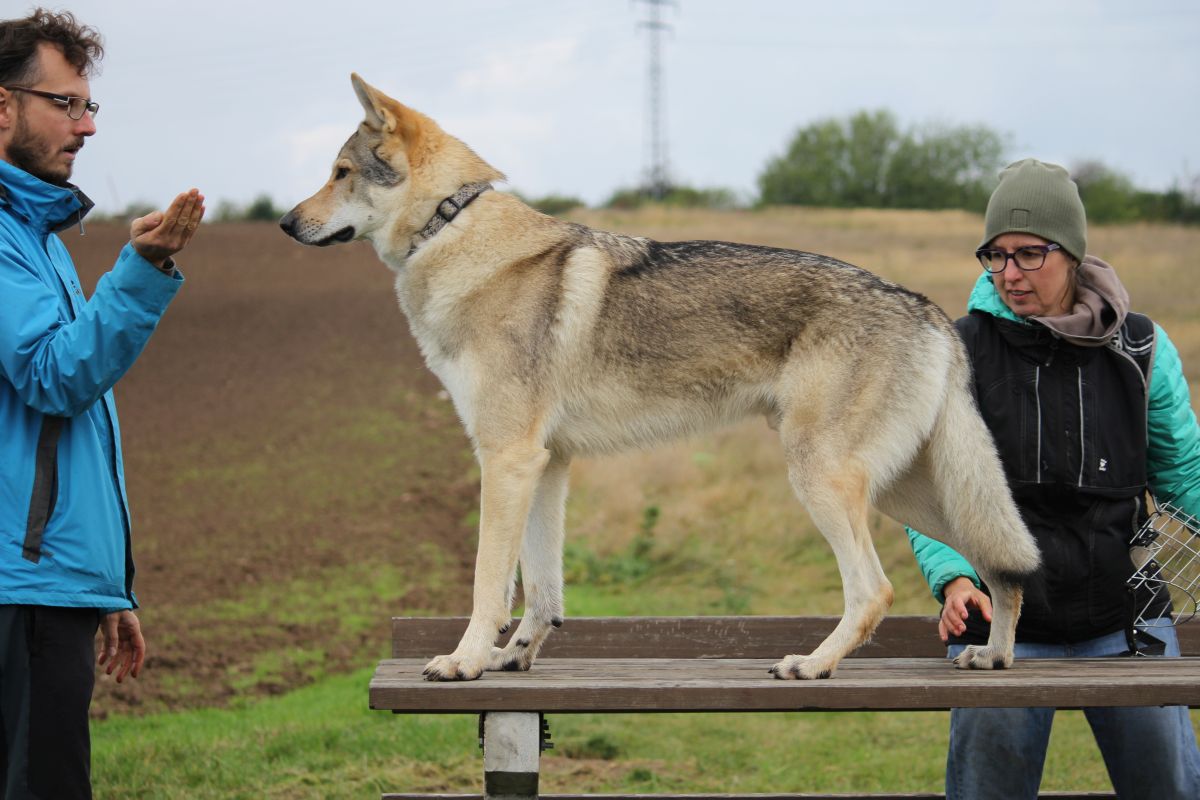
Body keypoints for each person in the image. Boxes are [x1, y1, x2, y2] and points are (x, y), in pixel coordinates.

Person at [907, 157, 1200, 799]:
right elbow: (929, 487)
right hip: (1008, 627)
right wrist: (952, 576)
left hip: (1129, 623)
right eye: (995, 255)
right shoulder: (957, 352)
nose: (1010, 274)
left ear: (1071, 252)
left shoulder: (1141, 348)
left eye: (1030, 254)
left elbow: (1185, 474)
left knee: (1172, 790)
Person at [0, 9, 205, 798]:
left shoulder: (36, 234)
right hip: (21, 591)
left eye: (91, 107)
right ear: (4, 106)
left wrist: (106, 588)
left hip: (46, 587)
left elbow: (60, 430)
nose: (86, 127)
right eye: (67, 104)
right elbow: (56, 377)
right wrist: (141, 273)